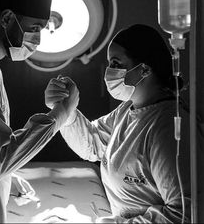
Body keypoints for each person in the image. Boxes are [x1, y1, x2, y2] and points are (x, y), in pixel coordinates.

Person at [44, 24, 191, 223]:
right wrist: (66, 110)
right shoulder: (129, 110)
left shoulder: (166, 128)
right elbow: (92, 144)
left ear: (144, 69)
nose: (109, 71)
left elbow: (183, 214)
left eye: (115, 63)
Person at [0, 0, 77, 223]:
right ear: (7, 18)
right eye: (34, 28)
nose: (37, 39)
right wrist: (61, 113)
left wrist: (8, 177)